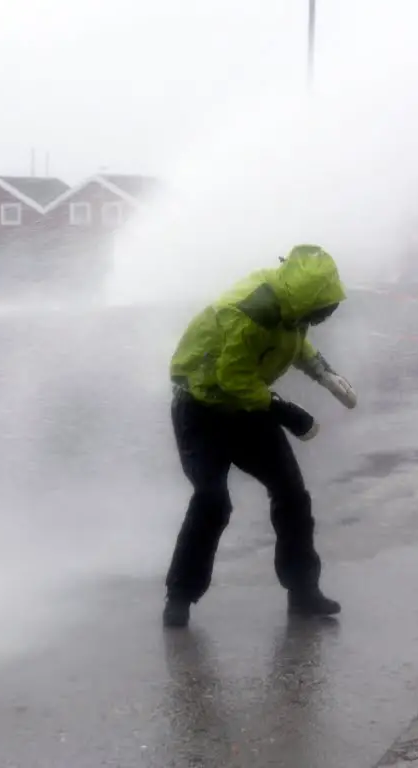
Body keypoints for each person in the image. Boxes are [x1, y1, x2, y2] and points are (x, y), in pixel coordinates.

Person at [163, 244, 358, 628]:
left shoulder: (290, 305)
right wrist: (286, 411)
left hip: (248, 408)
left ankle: (303, 592)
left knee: (292, 496)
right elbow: (230, 378)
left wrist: (323, 373)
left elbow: (292, 341)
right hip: (202, 410)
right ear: (305, 300)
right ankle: (180, 597)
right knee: (212, 501)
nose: (322, 317)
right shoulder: (249, 312)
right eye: (321, 310)